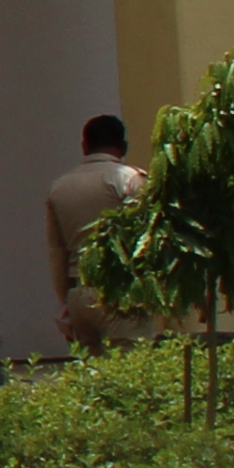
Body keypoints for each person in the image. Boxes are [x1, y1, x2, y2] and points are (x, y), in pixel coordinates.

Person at [43, 113, 138, 351]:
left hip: (79, 293)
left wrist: (66, 300)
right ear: (124, 146)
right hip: (121, 293)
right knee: (129, 372)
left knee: (92, 376)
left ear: (85, 146)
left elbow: (57, 252)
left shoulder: (60, 187)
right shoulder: (130, 180)